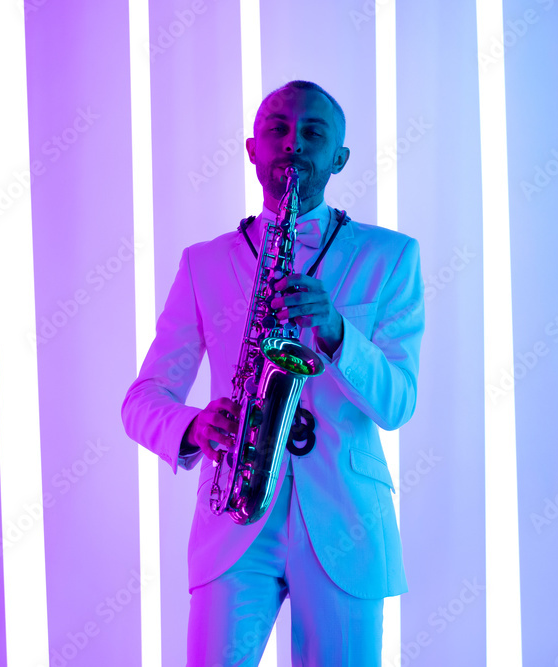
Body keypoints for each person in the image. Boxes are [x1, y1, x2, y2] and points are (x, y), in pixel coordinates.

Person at [122, 80, 425, 666]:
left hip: (346, 525)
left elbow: (399, 403)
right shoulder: (204, 263)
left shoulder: (390, 257)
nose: (293, 144)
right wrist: (194, 426)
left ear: (338, 157)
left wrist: (337, 331)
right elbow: (142, 400)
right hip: (234, 515)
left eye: (314, 133)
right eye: (277, 130)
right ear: (252, 149)